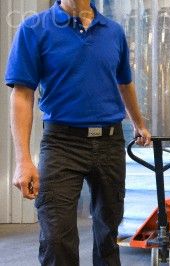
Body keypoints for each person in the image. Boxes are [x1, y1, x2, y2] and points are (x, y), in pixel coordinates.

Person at [4, 0, 151, 265]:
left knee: (109, 231)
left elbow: (125, 83)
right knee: (56, 236)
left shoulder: (113, 31)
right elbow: (22, 94)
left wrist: (139, 124)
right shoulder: (34, 28)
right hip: (62, 144)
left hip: (109, 143)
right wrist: (23, 160)